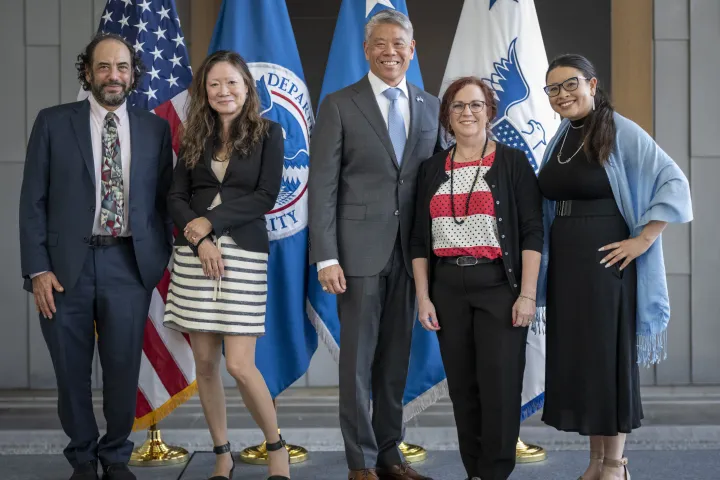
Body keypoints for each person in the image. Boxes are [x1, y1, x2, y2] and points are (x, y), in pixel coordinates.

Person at [19, 33, 173, 480]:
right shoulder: (52, 122)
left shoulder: (154, 128)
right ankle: (83, 457)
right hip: (65, 268)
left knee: (123, 367)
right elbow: (32, 201)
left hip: (129, 264)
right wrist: (38, 268)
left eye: (122, 67)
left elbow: (165, 200)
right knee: (71, 369)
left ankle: (116, 455)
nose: (113, 76)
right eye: (104, 67)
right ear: (87, 72)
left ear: (133, 74)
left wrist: (156, 259)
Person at [537, 54, 693, 480]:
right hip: (568, 268)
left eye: (570, 84)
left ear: (592, 84)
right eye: (553, 88)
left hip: (606, 264)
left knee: (607, 360)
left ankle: (616, 464)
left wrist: (643, 240)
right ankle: (595, 461)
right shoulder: (563, 136)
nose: (562, 94)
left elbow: (673, 180)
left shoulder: (619, 129)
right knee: (587, 362)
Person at [308, 9, 443, 480]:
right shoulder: (340, 104)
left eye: (398, 44)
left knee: (394, 363)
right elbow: (322, 185)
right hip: (356, 254)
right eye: (380, 44)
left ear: (412, 50)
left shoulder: (430, 105)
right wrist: (326, 255)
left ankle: (389, 454)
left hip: (413, 258)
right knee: (358, 364)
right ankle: (360, 462)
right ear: (366, 50)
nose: (390, 52)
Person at [163, 50, 289, 480]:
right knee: (204, 362)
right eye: (214, 84)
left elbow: (265, 196)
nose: (223, 91)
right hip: (194, 257)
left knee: (239, 364)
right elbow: (176, 196)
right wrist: (199, 240)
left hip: (244, 256)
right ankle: (221, 453)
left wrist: (210, 224)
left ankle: (276, 446)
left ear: (246, 87)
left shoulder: (269, 133)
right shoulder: (193, 135)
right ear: (205, 91)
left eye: (231, 83)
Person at [410, 76, 543, 480]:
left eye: (476, 105)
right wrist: (423, 297)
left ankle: (496, 473)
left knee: (500, 388)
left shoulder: (513, 163)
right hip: (447, 288)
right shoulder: (432, 168)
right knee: (464, 391)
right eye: (458, 106)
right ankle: (474, 472)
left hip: (499, 288)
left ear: (490, 111)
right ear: (447, 117)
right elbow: (418, 239)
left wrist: (527, 295)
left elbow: (532, 232)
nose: (467, 113)